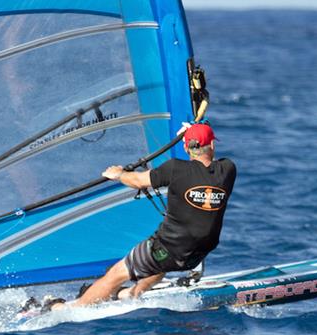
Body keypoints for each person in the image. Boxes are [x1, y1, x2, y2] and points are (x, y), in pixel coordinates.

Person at [48, 121, 235, 310]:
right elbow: (203, 163)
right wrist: (195, 128)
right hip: (197, 254)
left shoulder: (175, 169)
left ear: (186, 147)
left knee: (117, 273)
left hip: (168, 250)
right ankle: (131, 294)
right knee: (160, 263)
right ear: (212, 145)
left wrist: (119, 174)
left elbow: (137, 181)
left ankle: (68, 309)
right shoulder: (228, 170)